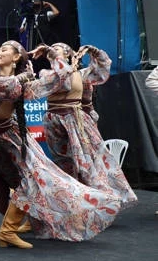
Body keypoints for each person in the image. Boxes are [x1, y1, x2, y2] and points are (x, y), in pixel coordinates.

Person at [0, 40, 120, 249]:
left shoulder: (26, 83)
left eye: (4, 50)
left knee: (32, 179)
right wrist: (24, 76)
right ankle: (14, 227)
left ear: (16, 57)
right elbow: (1, 87)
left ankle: (9, 230)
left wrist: (52, 53)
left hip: (10, 136)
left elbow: (60, 77)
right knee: (19, 180)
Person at [41, 43, 137, 209]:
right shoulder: (45, 73)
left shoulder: (81, 74)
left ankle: (97, 199)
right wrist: (56, 59)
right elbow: (62, 81)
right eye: (51, 48)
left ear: (68, 54)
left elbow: (102, 69)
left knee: (84, 161)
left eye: (56, 48)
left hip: (74, 119)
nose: (52, 49)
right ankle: (71, 200)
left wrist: (95, 52)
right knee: (62, 162)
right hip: (54, 120)